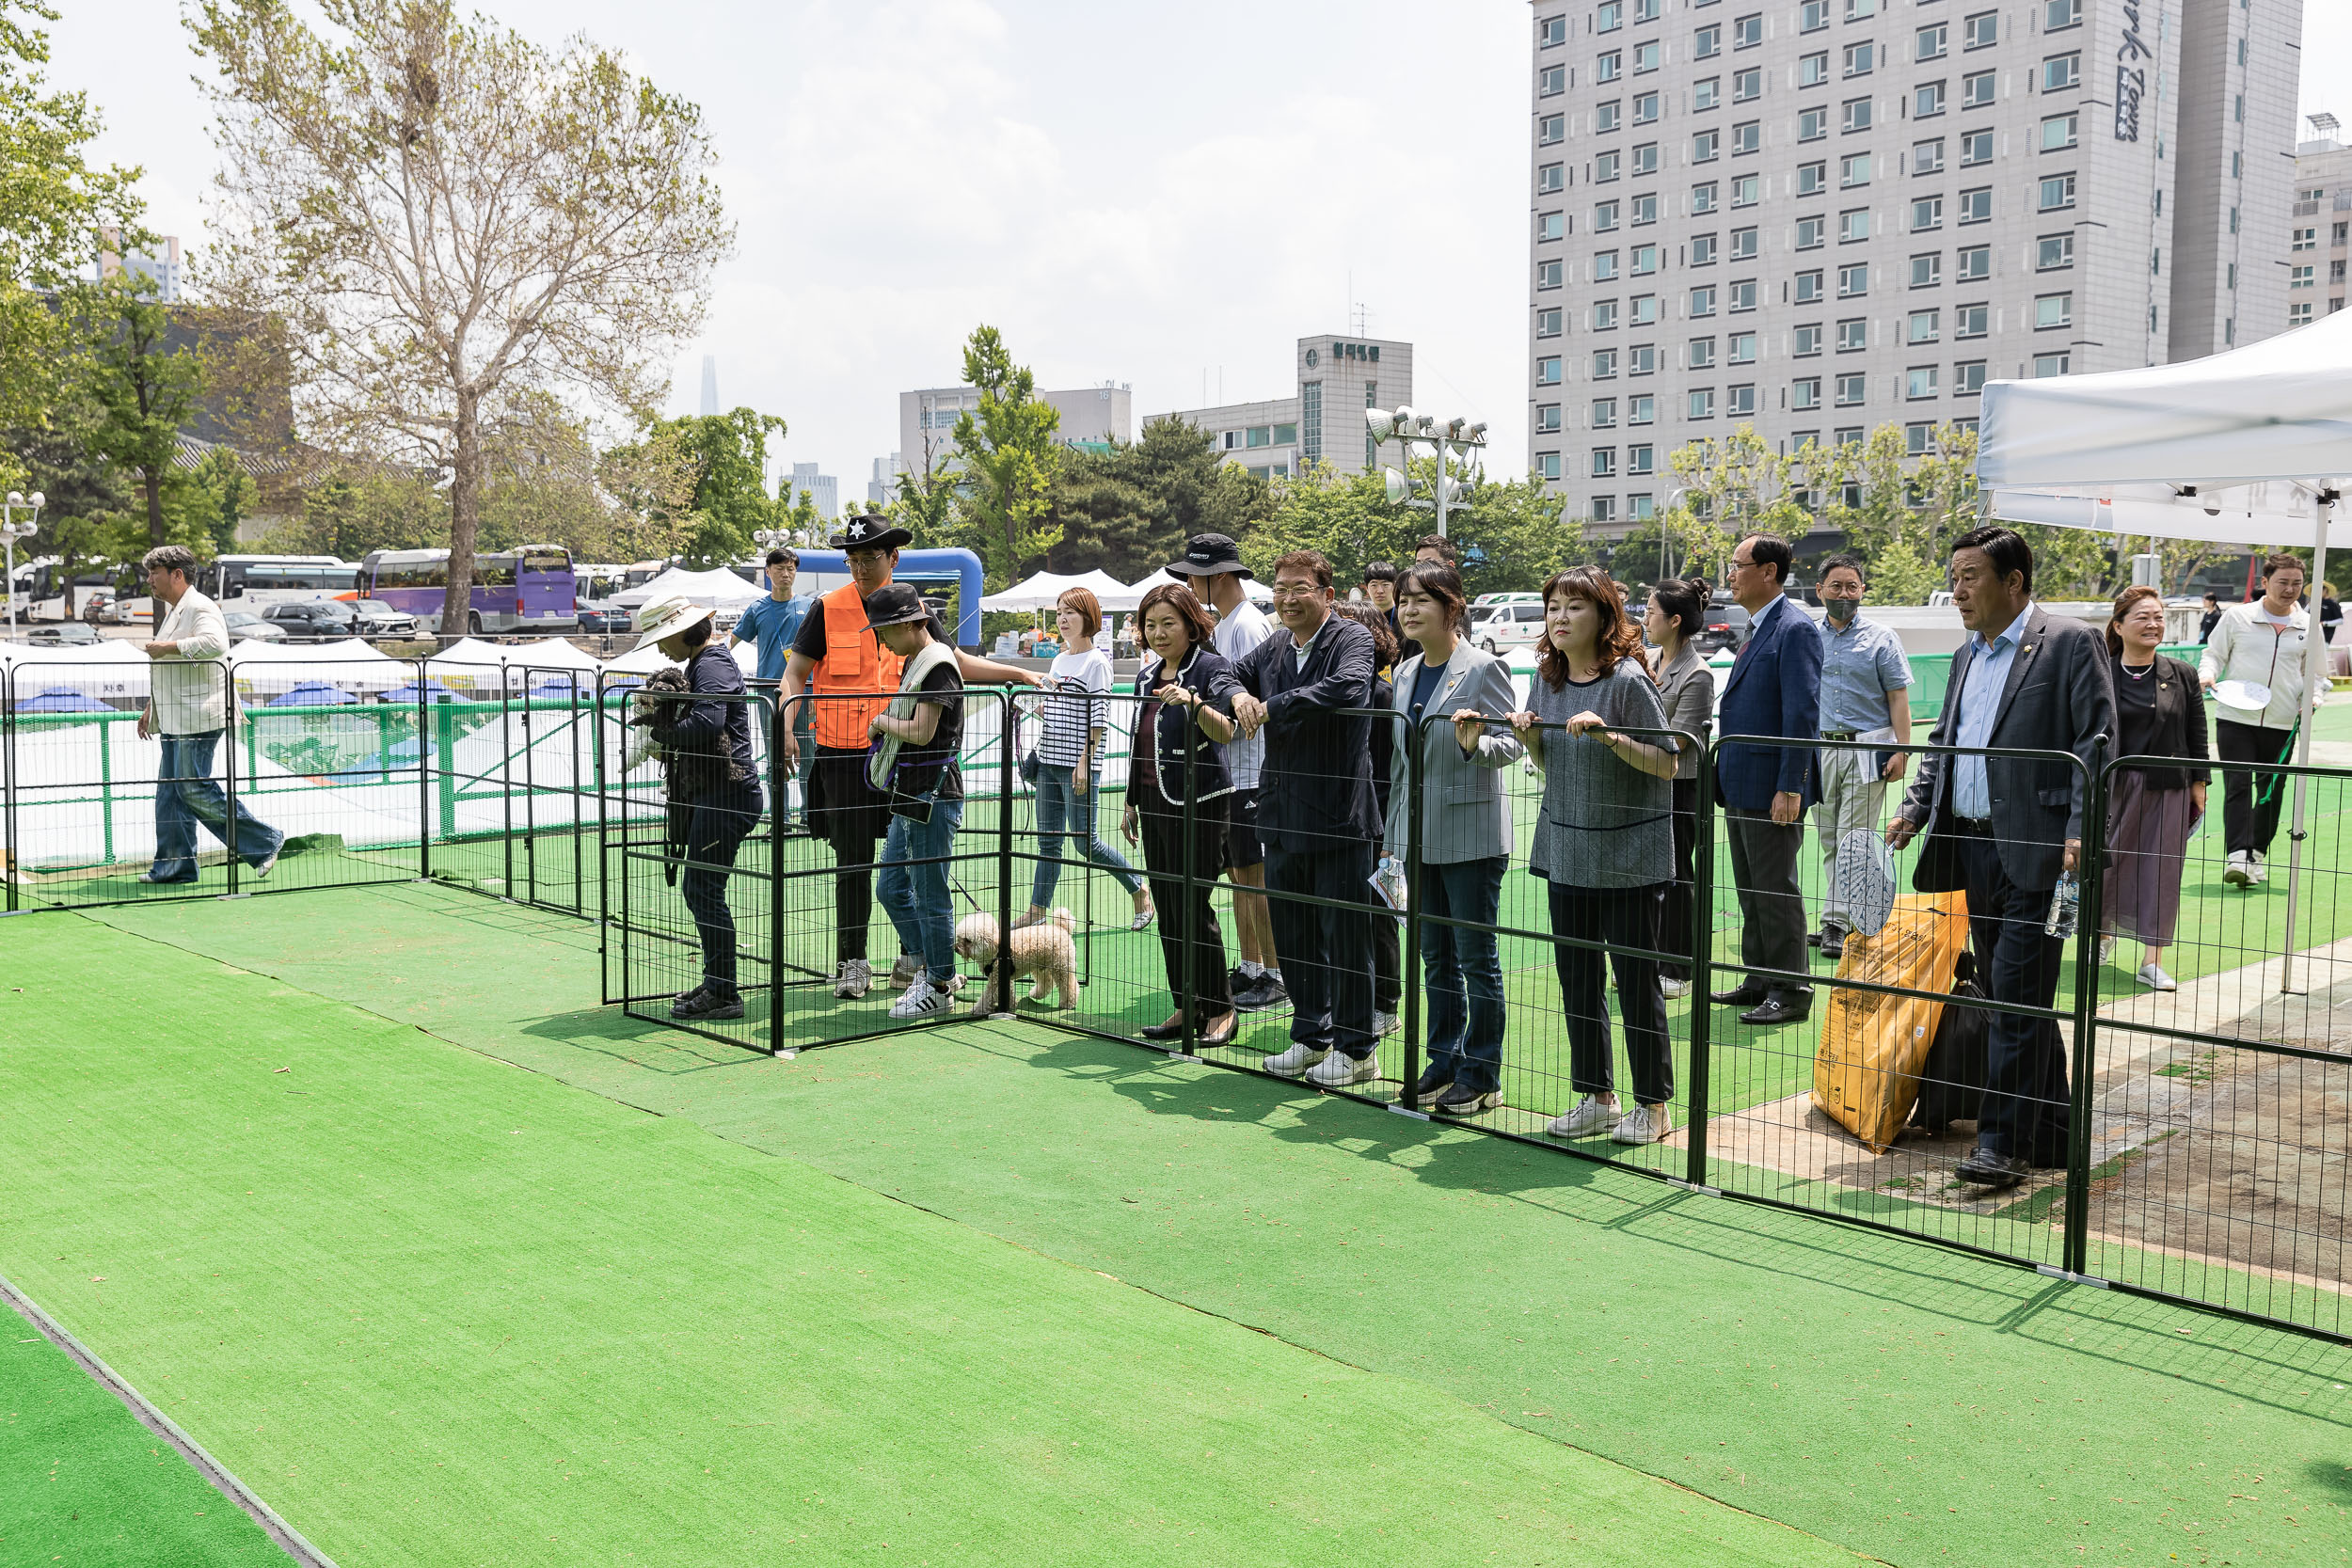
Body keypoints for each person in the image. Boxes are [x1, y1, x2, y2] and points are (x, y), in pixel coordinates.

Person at [1887, 526, 2116, 1189]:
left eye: (1970, 576)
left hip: (2047, 856)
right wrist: (1917, 805)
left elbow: (2096, 742)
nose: (1957, 590)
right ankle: (2051, 1133)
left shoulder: (2069, 642)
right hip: (1972, 849)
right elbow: (1945, 743)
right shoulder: (1966, 656)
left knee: (2016, 999)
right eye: (1954, 576)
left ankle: (2000, 1143)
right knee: (2017, 995)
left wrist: (2082, 826)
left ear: (2013, 582)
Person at [779, 515, 1039, 999]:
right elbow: (795, 673)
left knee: (910, 870)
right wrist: (787, 726)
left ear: (893, 558)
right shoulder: (826, 608)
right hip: (842, 757)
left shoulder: (911, 610)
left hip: (906, 760)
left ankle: (915, 960)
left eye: (870, 558)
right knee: (853, 864)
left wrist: (1017, 673)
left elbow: (953, 661)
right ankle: (852, 961)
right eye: (852, 560)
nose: (859, 568)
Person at [1508, 567, 1682, 1146]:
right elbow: (1549, 761)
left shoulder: (1629, 680)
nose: (1560, 618)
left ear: (1604, 616)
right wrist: (1530, 733)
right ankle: (1597, 1097)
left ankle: (1653, 1107)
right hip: (1567, 852)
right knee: (1577, 981)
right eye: (1554, 607)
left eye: (1574, 607)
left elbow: (1668, 765)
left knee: (1636, 985)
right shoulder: (1547, 678)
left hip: (1631, 857)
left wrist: (1610, 736)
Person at [1228, 549, 1382, 1085]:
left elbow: (1347, 689)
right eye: (1280, 587)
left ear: (1328, 595)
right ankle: (1311, 1036)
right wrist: (1240, 694)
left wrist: (1271, 706)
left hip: (1340, 815)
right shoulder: (1272, 645)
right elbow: (1228, 673)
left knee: (1345, 935)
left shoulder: (1352, 640)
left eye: (1300, 588)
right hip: (1282, 812)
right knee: (1293, 933)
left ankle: (1359, 1048)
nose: (1288, 598)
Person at [1384, 562, 1522, 1117]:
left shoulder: (1485, 668)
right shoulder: (1404, 671)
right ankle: (1442, 1061)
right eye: (1403, 600)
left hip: (1471, 837)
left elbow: (1513, 747)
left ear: (1453, 606)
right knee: (1434, 957)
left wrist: (1473, 745)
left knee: (1475, 959)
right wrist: (1393, 836)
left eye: (1422, 599)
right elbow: (1399, 764)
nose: (1409, 609)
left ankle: (1482, 1071)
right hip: (1415, 838)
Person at [1120, 583, 1242, 1047]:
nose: (1158, 632)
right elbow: (1139, 740)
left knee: (1192, 907)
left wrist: (1194, 704)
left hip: (1202, 803)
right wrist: (1130, 800)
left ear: (1192, 624)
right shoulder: (1144, 675)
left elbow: (1228, 732)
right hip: (1154, 803)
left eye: (1168, 623)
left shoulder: (1211, 668)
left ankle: (1221, 1008)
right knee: (1169, 909)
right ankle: (1184, 1003)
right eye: (1150, 624)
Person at [1708, 533, 1823, 1027]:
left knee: (1776, 889)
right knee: (1751, 887)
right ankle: (1759, 978)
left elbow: (1802, 714)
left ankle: (1791, 990)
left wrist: (1791, 785)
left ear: (1769, 571)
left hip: (1772, 784)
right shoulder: (1759, 627)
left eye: (1737, 566)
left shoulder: (1794, 628)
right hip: (1743, 780)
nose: (1730, 575)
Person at [1166, 533, 1283, 1009]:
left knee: (1253, 877)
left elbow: (1248, 711)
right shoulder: (1231, 622)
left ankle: (1274, 974)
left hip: (1250, 770)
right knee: (1240, 874)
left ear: (1216, 577)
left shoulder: (1248, 625)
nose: (1190, 585)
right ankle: (1252, 965)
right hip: (1232, 770)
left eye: (1193, 576)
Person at [633, 595, 764, 1022]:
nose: (659, 650)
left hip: (730, 793)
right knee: (702, 889)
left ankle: (724, 992)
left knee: (702, 890)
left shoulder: (711, 664)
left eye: (661, 639)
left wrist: (660, 736)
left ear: (680, 632)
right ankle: (717, 983)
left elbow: (709, 725)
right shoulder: (705, 663)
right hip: (719, 792)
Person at [135, 544, 284, 885]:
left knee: (192, 788)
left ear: (176, 574)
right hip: (177, 716)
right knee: (171, 795)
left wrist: (167, 647)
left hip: (198, 716)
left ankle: (263, 842)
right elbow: (170, 670)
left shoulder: (201, 606)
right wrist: (150, 709)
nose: (149, 581)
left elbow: (215, 644)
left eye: (153, 574)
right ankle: (176, 867)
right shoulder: (175, 610)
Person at [861, 583, 968, 1020]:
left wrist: (881, 720)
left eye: (884, 631)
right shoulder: (917, 661)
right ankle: (935, 968)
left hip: (934, 792)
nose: (881, 641)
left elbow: (923, 730)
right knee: (890, 885)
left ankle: (940, 983)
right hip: (911, 789)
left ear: (909, 624)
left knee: (930, 892)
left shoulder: (938, 665)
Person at [1023, 586, 1153, 930]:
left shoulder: (1097, 663)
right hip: (1048, 758)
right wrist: (1029, 706)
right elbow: (1056, 709)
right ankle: (1037, 912)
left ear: (1088, 618)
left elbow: (1099, 715)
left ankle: (1139, 889)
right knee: (1048, 842)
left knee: (1086, 842)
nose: (1063, 619)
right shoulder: (1059, 659)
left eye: (1071, 612)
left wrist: (1085, 761)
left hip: (1079, 765)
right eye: (1060, 611)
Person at [2102, 585, 2209, 992]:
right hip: (2112, 786)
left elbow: (2197, 730)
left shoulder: (2180, 673)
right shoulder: (2101, 670)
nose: (2153, 624)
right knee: (2107, 862)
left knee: (2161, 870)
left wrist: (2199, 783)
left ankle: (2153, 959)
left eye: (2159, 617)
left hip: (2168, 787)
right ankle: (2101, 938)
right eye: (2143, 617)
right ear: (2119, 625)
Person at [1811, 553, 1915, 960]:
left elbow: (1898, 697)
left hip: (1868, 748)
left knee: (1855, 838)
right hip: (1819, 748)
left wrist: (1902, 751)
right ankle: (1847, 916)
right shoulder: (1807, 635)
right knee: (1830, 838)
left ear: (1863, 591)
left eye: (1852, 586)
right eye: (1836, 586)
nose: (1844, 593)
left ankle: (1836, 922)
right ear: (1819, 590)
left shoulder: (1882, 637)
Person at [2198, 552, 2309, 887]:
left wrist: (2313, 697)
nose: (2290, 589)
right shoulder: (2237, 617)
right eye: (2282, 582)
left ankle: (2255, 854)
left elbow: (2315, 674)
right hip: (2235, 716)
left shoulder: (2308, 624)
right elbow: (2213, 654)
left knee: (2271, 791)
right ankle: (2237, 856)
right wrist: (2207, 675)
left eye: (2297, 583)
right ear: (2265, 583)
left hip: (2282, 722)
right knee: (2238, 785)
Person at [1334, 599, 1404, 1037]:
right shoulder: (1351, 692)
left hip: (1379, 823)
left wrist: (1386, 832)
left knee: (1381, 916)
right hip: (1348, 820)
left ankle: (1386, 1004)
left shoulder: (1383, 695)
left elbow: (1391, 768)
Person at [1645, 577, 1715, 1000]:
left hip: (1682, 787)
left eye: (1651, 611)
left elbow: (1680, 740)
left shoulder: (1698, 673)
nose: (1645, 618)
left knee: (1678, 876)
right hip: (1648, 784)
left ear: (1674, 620)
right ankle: (1651, 958)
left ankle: (1678, 966)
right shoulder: (1651, 659)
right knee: (1650, 876)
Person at [731, 546, 816, 825]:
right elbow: (729, 644)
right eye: (779, 568)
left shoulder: (809, 607)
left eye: (791, 568)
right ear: (768, 572)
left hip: (806, 690)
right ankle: (780, 818)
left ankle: (809, 816)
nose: (785, 574)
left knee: (809, 753)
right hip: (770, 692)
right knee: (775, 754)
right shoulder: (757, 609)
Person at [1361, 561, 1400, 637]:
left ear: (1394, 586)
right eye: (1374, 585)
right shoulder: (1363, 619)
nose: (1380, 591)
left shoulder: (1403, 616)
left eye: (1385, 585)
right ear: (1367, 588)